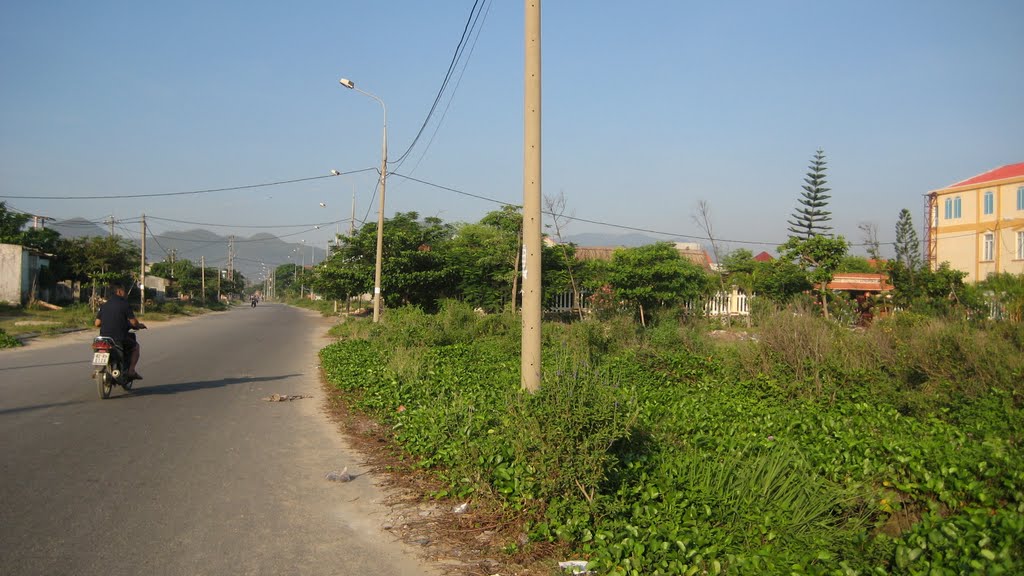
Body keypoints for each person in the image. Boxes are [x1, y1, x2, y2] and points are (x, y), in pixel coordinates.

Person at [95, 282, 146, 379]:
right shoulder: (124, 304)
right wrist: (139, 325)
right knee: (136, 347)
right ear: (119, 291)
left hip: (104, 338)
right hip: (119, 338)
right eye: (124, 291)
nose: (125, 293)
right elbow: (134, 322)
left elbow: (97, 323)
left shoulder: (104, 305)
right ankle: (131, 371)